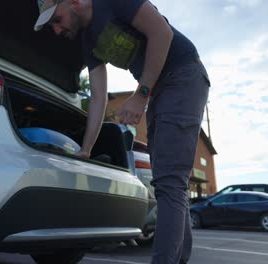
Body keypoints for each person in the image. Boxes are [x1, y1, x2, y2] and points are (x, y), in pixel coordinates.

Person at [34, 0, 210, 263]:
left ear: (72, 2)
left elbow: (162, 33)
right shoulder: (88, 41)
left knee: (170, 181)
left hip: (183, 74)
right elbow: (98, 98)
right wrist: (86, 149)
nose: (57, 30)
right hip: (159, 89)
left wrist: (141, 95)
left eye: (56, 20)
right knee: (167, 182)